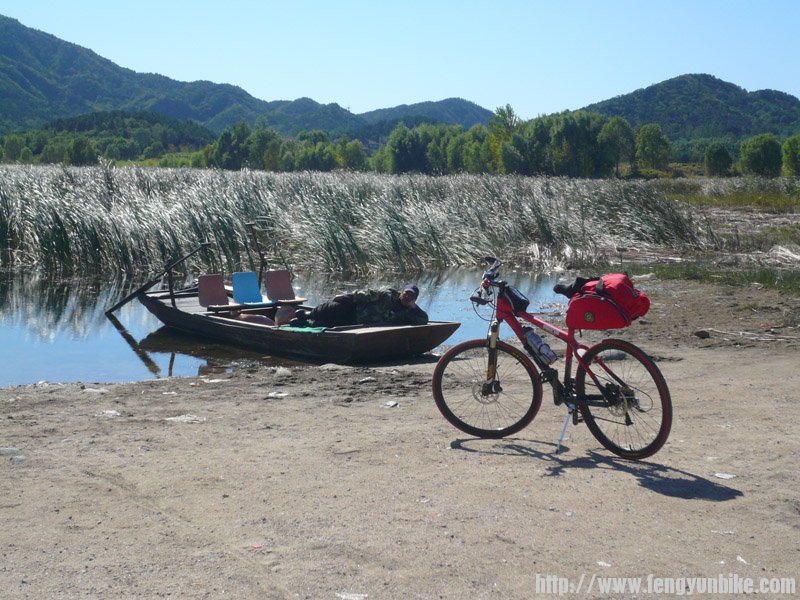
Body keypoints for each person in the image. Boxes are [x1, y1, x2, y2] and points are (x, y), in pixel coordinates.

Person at [290, 284, 428, 327]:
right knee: (332, 308)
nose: (407, 297)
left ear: (414, 299)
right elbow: (367, 294)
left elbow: (424, 320)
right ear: (401, 292)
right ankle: (307, 314)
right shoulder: (388, 294)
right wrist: (347, 296)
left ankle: (306, 323)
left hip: (357, 322)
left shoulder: (407, 312)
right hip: (354, 309)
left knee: (330, 324)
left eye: (411, 296)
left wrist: (414, 307)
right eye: (406, 294)